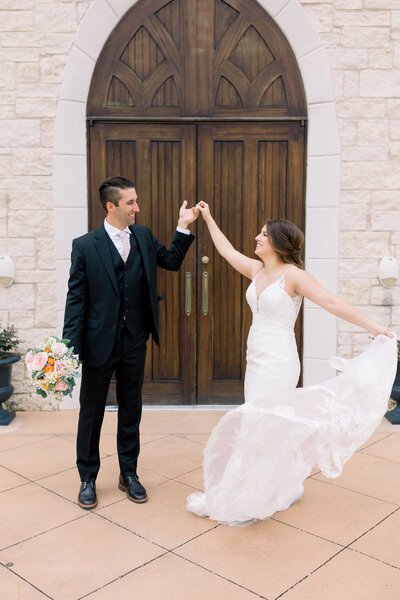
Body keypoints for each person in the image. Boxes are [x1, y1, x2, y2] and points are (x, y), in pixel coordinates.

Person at [187, 202, 397, 526]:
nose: (257, 237)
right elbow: (226, 251)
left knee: (259, 425)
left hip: (279, 361)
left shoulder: (293, 276)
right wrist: (209, 218)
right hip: (255, 357)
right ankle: (276, 485)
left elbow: (330, 301)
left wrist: (373, 326)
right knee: (261, 424)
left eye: (263, 234)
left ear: (279, 243)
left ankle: (243, 494)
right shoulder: (257, 271)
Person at [63, 176, 198, 509]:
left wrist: (183, 227)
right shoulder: (85, 245)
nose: (137, 208)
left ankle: (129, 474)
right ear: (111, 206)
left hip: (135, 341)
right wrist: (67, 350)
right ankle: (87, 478)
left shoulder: (143, 236)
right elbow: (76, 299)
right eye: (130, 203)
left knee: (131, 410)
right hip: (97, 343)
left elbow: (171, 262)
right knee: (91, 413)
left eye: (136, 201)